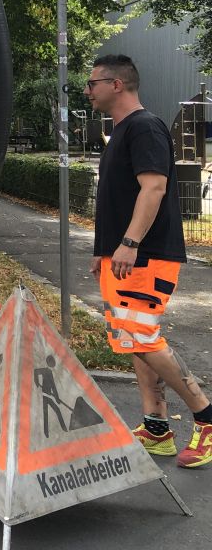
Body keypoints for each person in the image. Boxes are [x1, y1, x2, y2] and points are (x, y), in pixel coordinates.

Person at [86, 54, 212, 467]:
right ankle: (156, 428)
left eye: (93, 84)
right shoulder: (122, 131)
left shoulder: (144, 127)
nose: (88, 91)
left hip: (145, 256)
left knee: (143, 338)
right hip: (123, 257)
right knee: (131, 339)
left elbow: (153, 188)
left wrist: (129, 242)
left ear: (116, 84)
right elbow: (118, 198)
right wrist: (103, 251)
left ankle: (206, 417)